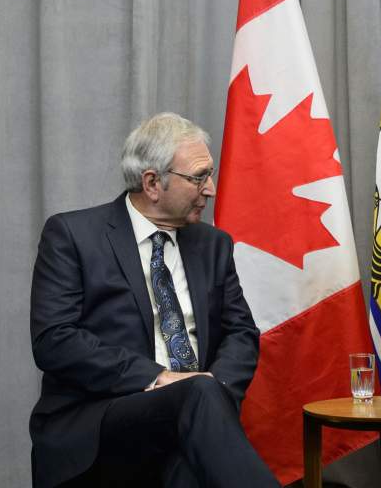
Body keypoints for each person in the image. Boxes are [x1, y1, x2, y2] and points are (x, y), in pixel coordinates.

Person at [29, 112, 279, 488]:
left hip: (193, 413)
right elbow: (54, 340)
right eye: (198, 177)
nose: (210, 188)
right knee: (194, 396)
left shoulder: (213, 245)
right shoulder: (73, 235)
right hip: (101, 417)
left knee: (187, 469)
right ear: (152, 183)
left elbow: (241, 332)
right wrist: (158, 378)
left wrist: (216, 384)